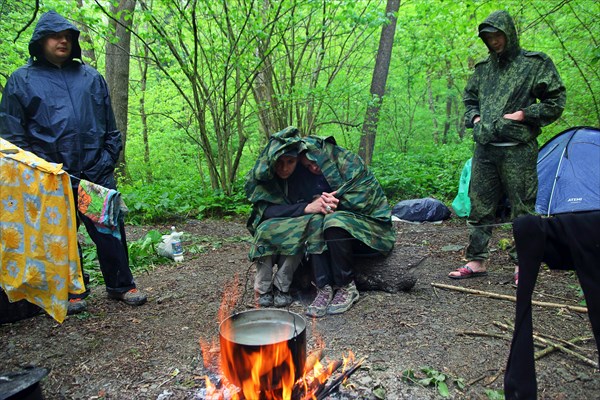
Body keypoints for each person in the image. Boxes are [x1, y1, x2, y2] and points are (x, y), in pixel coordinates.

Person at [0, 11, 147, 313]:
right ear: (40, 41)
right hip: (52, 178)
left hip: (94, 174)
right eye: (56, 35)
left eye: (68, 36)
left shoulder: (90, 78)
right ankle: (72, 290)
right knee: (60, 237)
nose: (63, 40)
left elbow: (110, 127)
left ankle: (121, 285)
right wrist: (39, 171)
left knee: (108, 230)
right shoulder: (22, 80)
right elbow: (13, 134)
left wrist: (106, 161)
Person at [448, 10, 566, 282]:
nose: (494, 41)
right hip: (486, 149)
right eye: (488, 37)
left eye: (497, 35)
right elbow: (469, 100)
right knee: (480, 206)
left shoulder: (534, 64)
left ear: (508, 34)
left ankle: (523, 264)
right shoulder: (483, 69)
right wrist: (475, 118)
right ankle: (476, 260)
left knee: (523, 209)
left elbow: (555, 101)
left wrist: (525, 115)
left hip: (517, 149)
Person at [246, 127, 395, 318]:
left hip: (370, 225)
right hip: (323, 225)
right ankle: (323, 287)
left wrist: (335, 203)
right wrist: (315, 203)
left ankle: (345, 286)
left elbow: (365, 200)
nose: (314, 168)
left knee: (332, 220)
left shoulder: (347, 163)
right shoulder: (293, 176)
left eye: (316, 164)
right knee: (312, 222)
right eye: (307, 166)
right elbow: (276, 209)